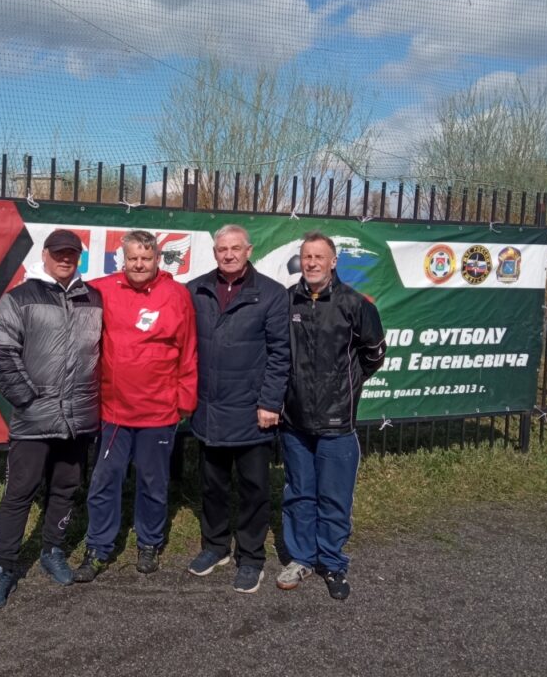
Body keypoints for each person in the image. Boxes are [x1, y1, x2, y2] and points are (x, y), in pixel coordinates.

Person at [0, 229, 103, 610]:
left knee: (65, 489)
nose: (65, 259)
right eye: (58, 252)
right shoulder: (19, 298)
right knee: (19, 493)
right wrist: (29, 400)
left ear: (78, 258)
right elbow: (1, 354)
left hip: (79, 418)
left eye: (72, 253)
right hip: (34, 419)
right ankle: (4, 567)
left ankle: (52, 550)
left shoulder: (93, 298)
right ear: (45, 255)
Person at [73, 230, 198, 581]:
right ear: (123, 260)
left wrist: (186, 399)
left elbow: (188, 349)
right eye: (132, 258)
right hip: (114, 412)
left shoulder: (177, 295)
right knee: (104, 480)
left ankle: (149, 542)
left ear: (157, 258)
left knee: (153, 482)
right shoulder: (101, 290)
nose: (139, 264)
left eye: (145, 258)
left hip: (159, 411)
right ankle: (98, 547)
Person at [276, 231, 385, 600]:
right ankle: (301, 558)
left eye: (319, 257)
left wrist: (346, 383)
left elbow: (374, 353)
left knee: (334, 498)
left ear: (333, 261)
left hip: (338, 423)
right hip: (295, 422)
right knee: (299, 494)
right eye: (307, 256)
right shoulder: (287, 300)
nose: (312, 263)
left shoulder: (355, 304)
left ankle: (333, 563)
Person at [185, 225, 290, 593]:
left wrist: (270, 402)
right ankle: (215, 547)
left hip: (251, 412)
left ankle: (251, 557)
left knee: (253, 489)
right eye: (222, 249)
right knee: (212, 486)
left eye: (235, 248)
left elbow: (280, 354)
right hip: (209, 408)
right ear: (215, 252)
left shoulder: (272, 294)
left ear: (249, 250)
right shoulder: (196, 289)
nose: (228, 255)